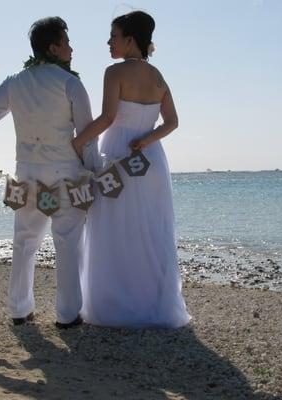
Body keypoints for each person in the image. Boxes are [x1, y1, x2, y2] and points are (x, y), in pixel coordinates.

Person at [0, 17, 100, 329]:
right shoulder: (70, 83)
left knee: (24, 241)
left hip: (28, 174)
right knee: (68, 242)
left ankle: (19, 309)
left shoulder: (15, 82)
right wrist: (96, 173)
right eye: (67, 42)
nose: (72, 49)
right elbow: (87, 136)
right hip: (66, 173)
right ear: (53, 48)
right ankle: (66, 314)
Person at [72, 11, 191, 329]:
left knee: (114, 229)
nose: (109, 41)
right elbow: (173, 122)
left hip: (117, 157)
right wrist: (147, 139)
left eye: (113, 35)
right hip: (150, 159)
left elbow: (107, 118)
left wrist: (76, 143)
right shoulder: (158, 77)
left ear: (130, 40)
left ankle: (114, 304)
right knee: (150, 231)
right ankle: (152, 303)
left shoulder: (114, 72)